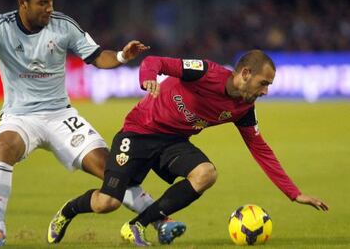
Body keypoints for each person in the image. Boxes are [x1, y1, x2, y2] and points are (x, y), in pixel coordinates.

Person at [0, 0, 185, 247]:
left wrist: (123, 55)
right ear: (23, 3)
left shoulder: (63, 25)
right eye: (42, 2)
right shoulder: (0, 26)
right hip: (20, 116)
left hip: (61, 115)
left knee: (112, 170)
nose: (49, 8)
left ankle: (160, 221)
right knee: (5, 147)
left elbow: (98, 56)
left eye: (51, 1)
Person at [48, 49, 329, 246]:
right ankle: (68, 211)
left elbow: (260, 149)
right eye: (263, 83)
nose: (266, 91)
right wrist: (147, 77)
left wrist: (294, 194)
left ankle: (137, 225)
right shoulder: (205, 72)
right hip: (138, 133)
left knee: (206, 173)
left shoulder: (244, 108)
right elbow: (156, 62)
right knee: (107, 202)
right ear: (245, 73)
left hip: (172, 142)